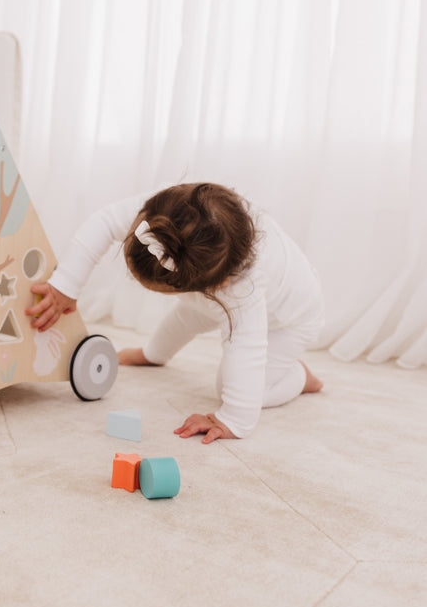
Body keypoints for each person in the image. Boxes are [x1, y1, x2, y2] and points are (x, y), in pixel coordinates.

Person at [25, 183, 324, 443]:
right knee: (185, 317)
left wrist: (232, 419)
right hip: (231, 290)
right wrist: (65, 285)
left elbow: (246, 349)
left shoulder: (241, 292)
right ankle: (154, 354)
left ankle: (299, 377)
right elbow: (103, 223)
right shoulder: (165, 215)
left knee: (230, 387)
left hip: (290, 320)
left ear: (213, 286)